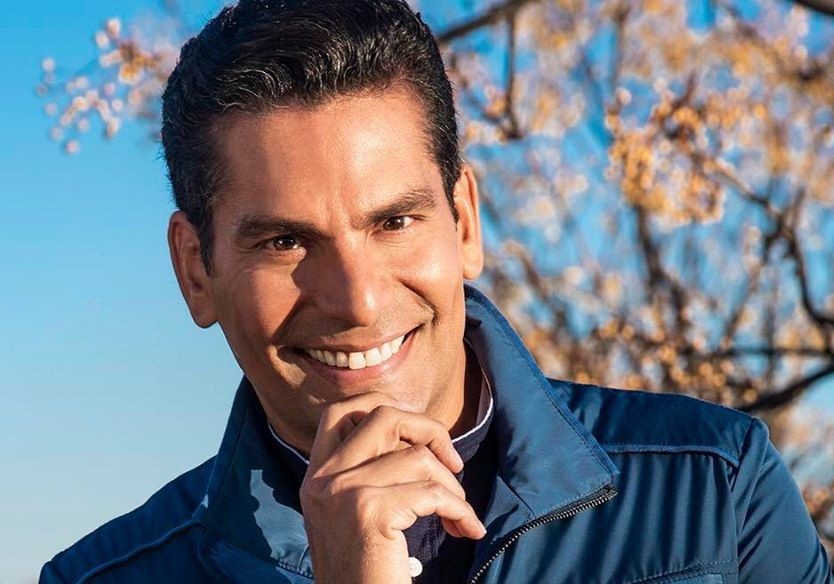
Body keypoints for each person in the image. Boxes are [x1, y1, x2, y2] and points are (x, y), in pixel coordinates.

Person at [40, 1, 833, 582]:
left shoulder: (716, 493)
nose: (356, 300)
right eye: (285, 242)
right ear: (195, 270)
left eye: (394, 221)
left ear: (465, 221)